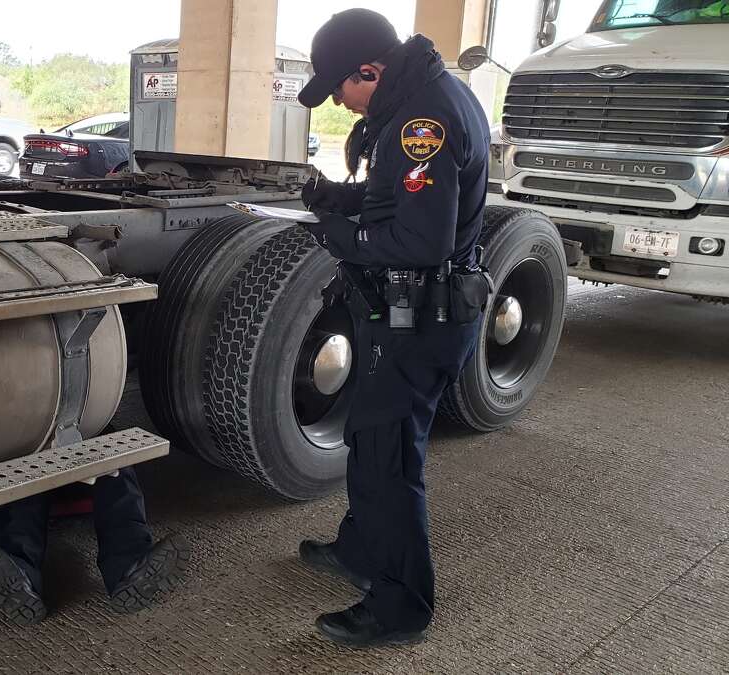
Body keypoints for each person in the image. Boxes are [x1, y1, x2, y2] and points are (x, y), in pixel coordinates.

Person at [294, 9, 492, 647]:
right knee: (372, 437)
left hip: (419, 316)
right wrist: (341, 200)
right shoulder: (431, 92)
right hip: (413, 313)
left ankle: (401, 603)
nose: (344, 107)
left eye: (341, 90)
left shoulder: (419, 121)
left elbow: (419, 238)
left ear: (369, 70)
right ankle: (359, 549)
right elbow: (410, 200)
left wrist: (335, 234)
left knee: (387, 455)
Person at [0, 467, 189, 625]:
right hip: (33, 456)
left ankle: (132, 567)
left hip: (80, 450)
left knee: (116, 459)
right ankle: (17, 578)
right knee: (16, 473)